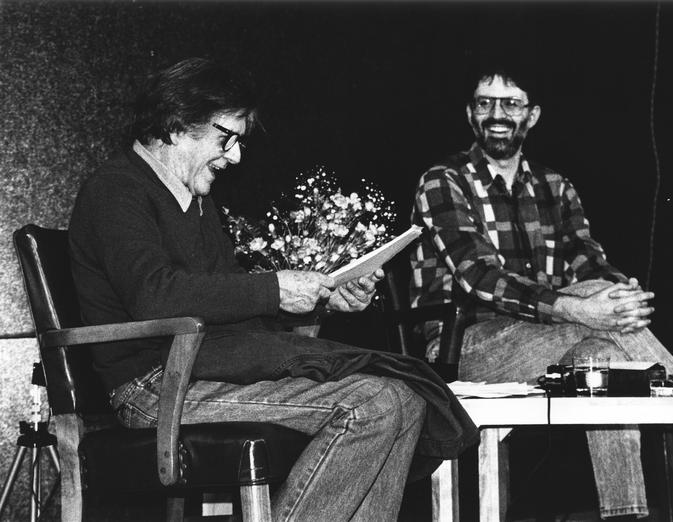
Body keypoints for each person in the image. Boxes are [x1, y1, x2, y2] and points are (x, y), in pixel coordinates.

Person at [69, 57, 433, 521]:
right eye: (227, 138)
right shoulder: (116, 191)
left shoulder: (196, 201)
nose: (235, 156)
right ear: (178, 126)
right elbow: (155, 296)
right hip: (154, 387)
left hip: (200, 369)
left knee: (405, 398)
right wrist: (274, 289)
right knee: (373, 404)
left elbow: (232, 306)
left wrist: (323, 301)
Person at [410, 60, 673, 519]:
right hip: (466, 346)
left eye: (511, 103)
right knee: (594, 322)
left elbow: (588, 260)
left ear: (531, 115)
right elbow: (479, 278)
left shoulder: (556, 186)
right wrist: (585, 308)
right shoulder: (443, 181)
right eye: (485, 103)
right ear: (469, 113)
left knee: (608, 354)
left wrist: (620, 295)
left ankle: (626, 515)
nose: (497, 113)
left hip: (552, 339)